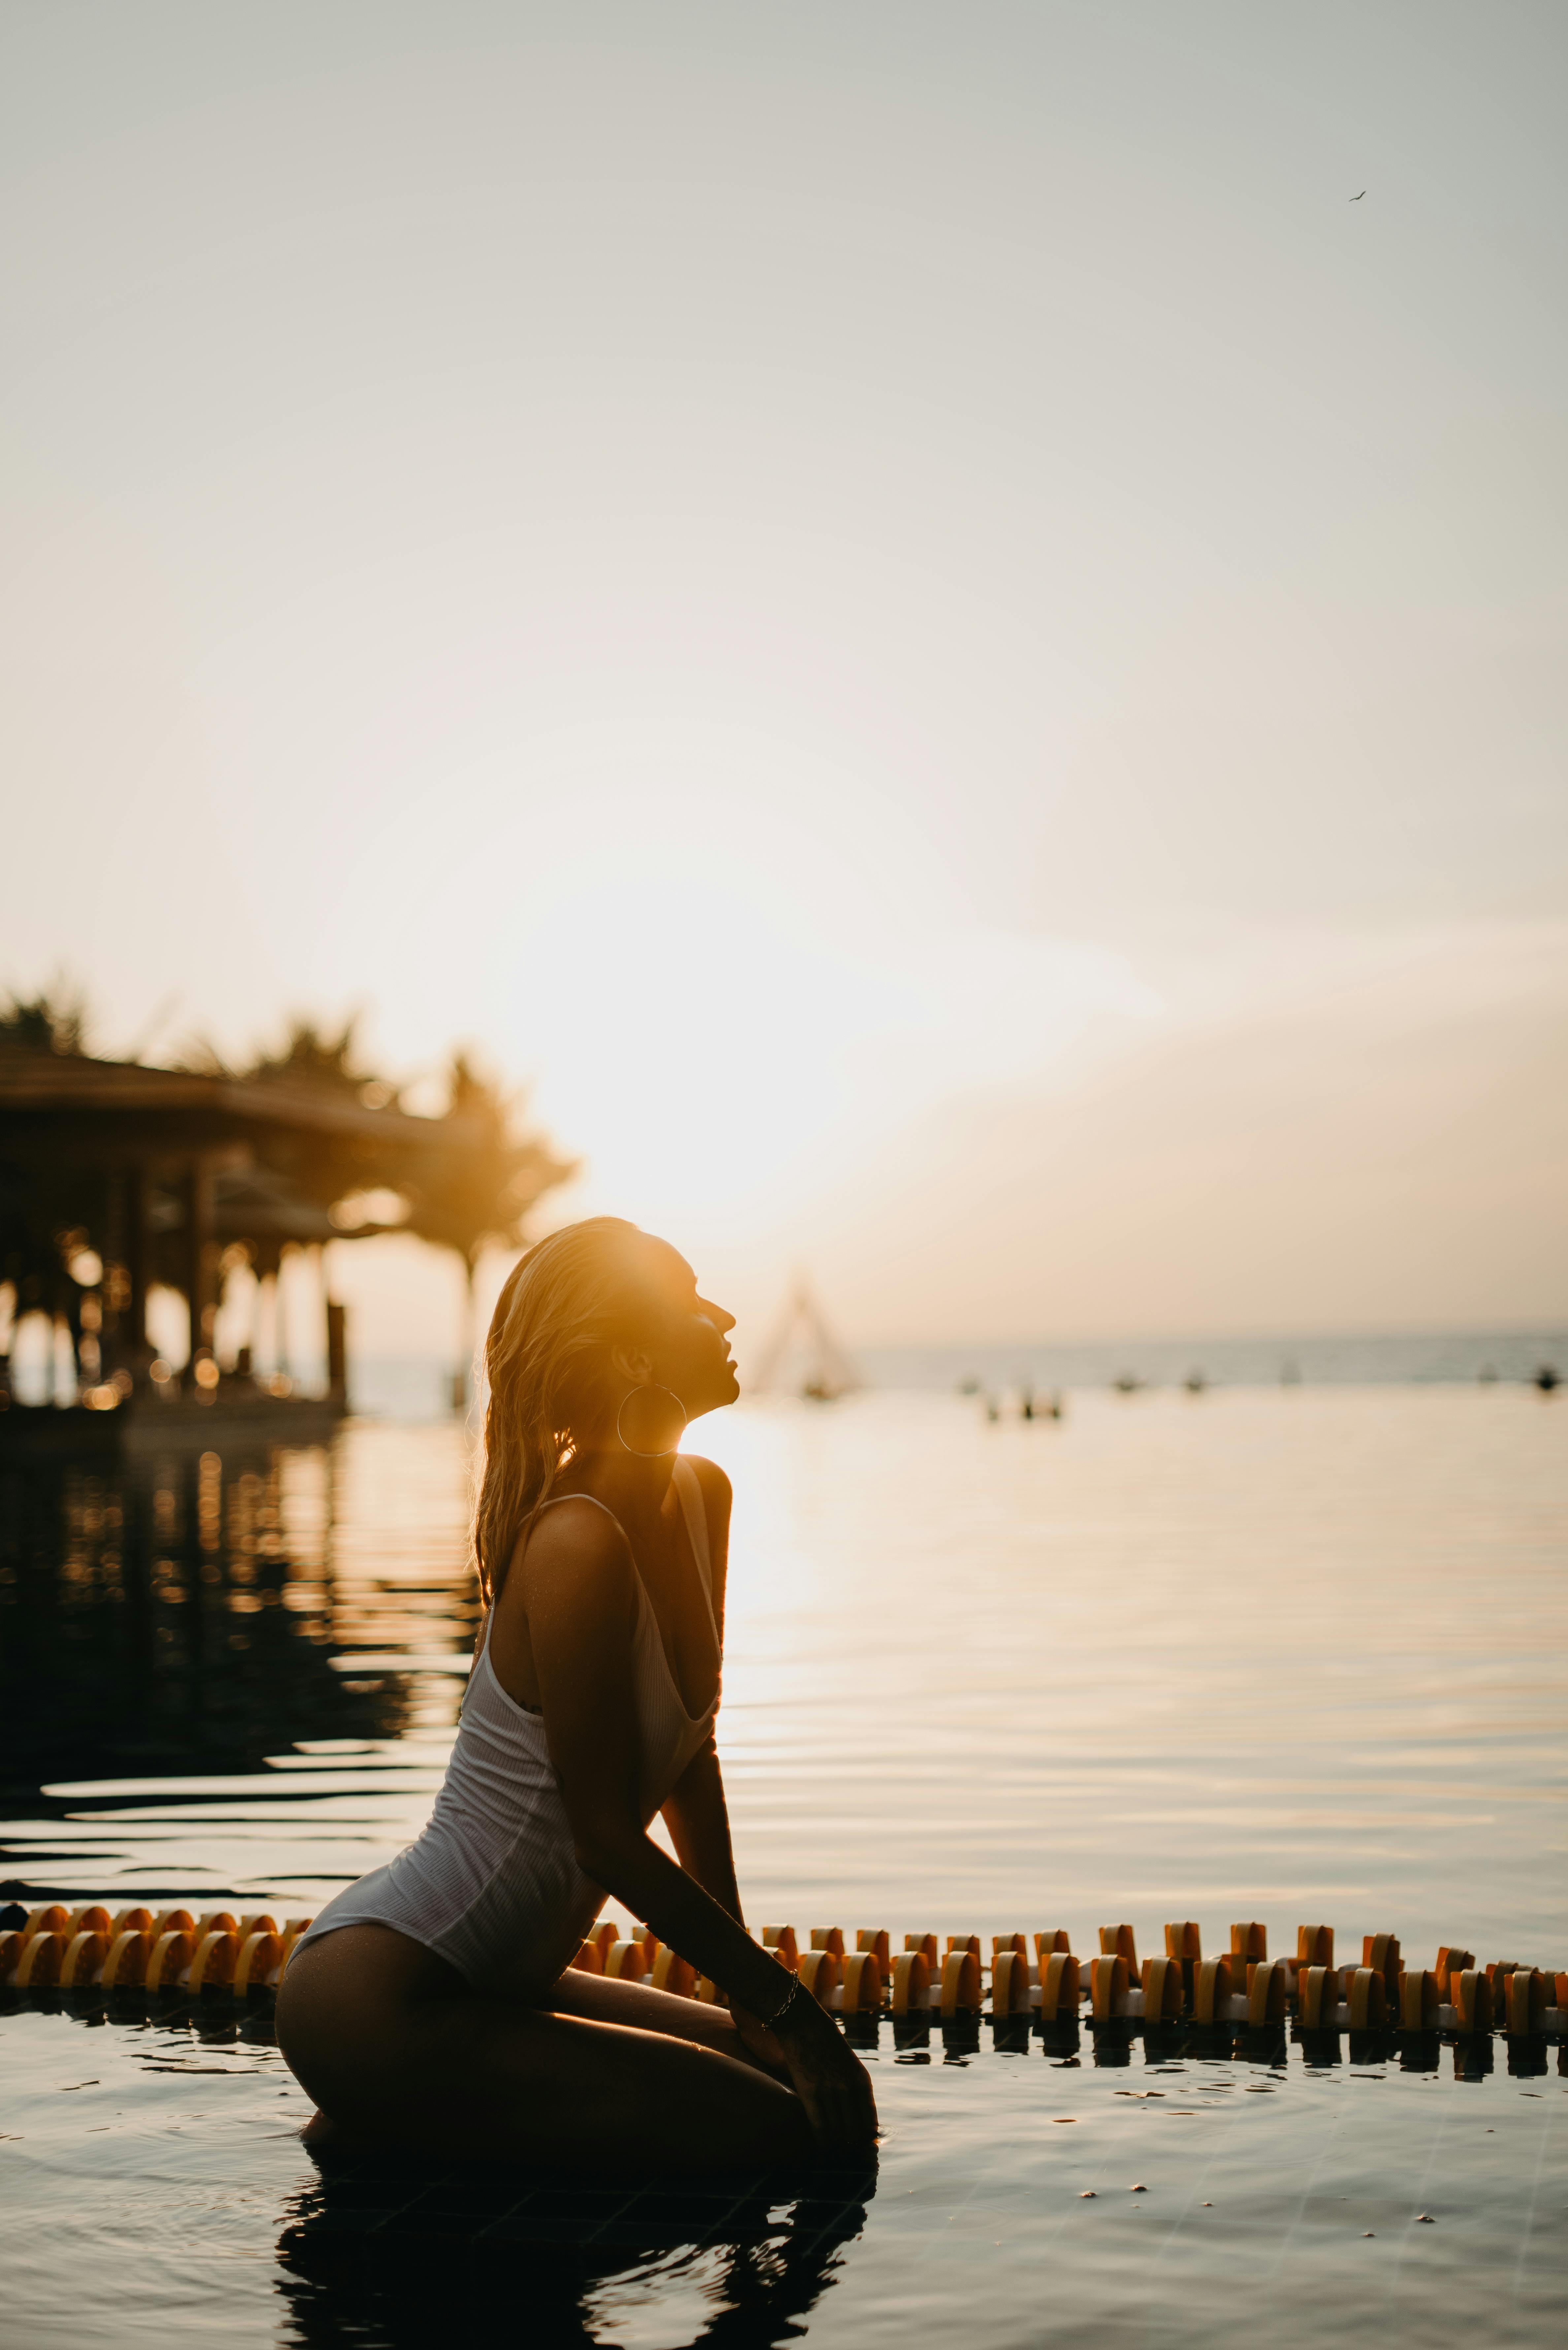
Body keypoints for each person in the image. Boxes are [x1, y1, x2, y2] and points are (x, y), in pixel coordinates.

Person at [277, 1218, 877, 2169]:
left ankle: (392, 2126)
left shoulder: (701, 1496)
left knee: (792, 2091)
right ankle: (385, 2094)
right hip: (387, 1990)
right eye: (688, 1305)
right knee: (789, 2139)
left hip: (498, 1986)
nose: (722, 1317)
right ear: (636, 1354)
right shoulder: (576, 1542)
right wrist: (789, 2008)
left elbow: (691, 1757)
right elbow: (603, 1833)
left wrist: (746, 2000)